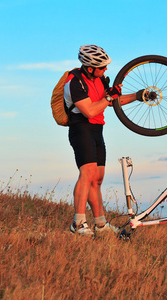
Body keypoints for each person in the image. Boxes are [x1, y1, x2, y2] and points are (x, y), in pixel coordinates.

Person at [65, 45, 144, 236]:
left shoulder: (99, 78)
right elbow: (90, 110)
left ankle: (100, 225)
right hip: (80, 128)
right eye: (102, 67)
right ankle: (78, 223)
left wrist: (137, 96)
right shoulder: (74, 82)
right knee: (88, 173)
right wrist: (109, 96)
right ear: (90, 67)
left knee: (98, 178)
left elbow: (111, 100)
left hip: (97, 130)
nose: (106, 70)